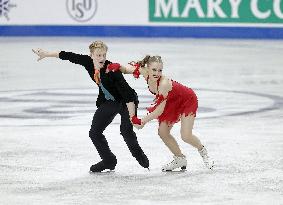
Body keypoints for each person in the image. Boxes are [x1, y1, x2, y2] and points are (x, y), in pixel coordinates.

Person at [32, 41, 149, 172]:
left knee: (126, 131)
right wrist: (46, 54)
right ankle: (109, 160)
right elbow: (67, 55)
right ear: (91, 55)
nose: (102, 58)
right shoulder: (88, 62)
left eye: (104, 55)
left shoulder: (112, 70)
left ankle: (140, 156)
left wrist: (132, 117)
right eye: (98, 55)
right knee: (94, 132)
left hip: (126, 102)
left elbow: (127, 94)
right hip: (109, 101)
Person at [107, 55, 214, 171]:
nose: (157, 73)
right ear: (147, 68)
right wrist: (117, 66)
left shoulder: (164, 84)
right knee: (163, 132)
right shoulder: (144, 71)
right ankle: (180, 158)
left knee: (186, 136)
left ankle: (203, 152)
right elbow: (127, 69)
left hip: (187, 100)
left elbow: (159, 110)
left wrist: (143, 121)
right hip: (171, 101)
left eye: (160, 70)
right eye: (154, 70)